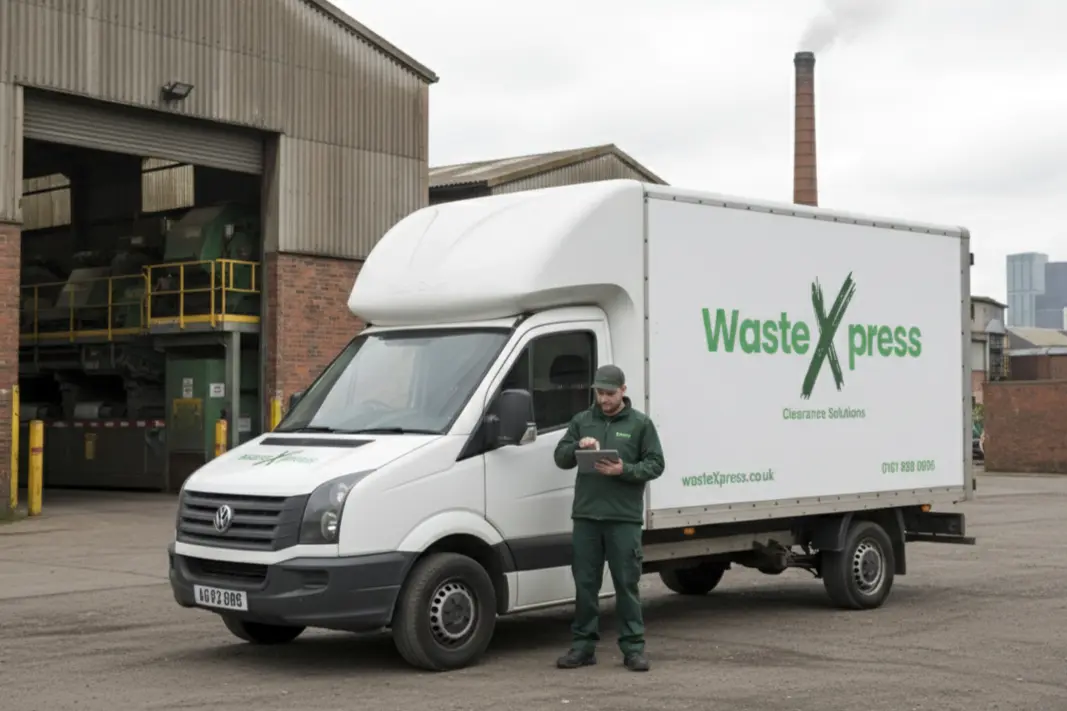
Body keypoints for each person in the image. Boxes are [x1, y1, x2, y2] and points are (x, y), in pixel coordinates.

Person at [552, 364, 665, 672]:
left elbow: (656, 464)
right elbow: (560, 458)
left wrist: (623, 470)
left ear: (623, 391)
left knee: (626, 583)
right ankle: (583, 647)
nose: (603, 400)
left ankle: (633, 648)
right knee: (585, 584)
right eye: (599, 393)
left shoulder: (641, 424)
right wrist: (578, 446)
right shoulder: (582, 421)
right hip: (587, 517)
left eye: (609, 394)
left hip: (623, 519)